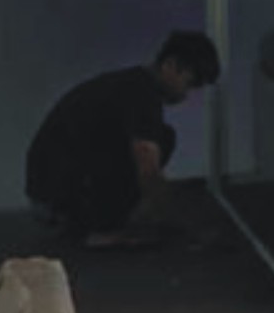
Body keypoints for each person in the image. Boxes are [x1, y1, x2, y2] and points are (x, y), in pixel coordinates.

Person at [25, 31, 221, 248]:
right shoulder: (141, 95)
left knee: (162, 137)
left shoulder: (131, 84)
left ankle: (96, 225)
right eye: (190, 83)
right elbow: (149, 172)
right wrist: (184, 227)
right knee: (159, 143)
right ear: (171, 65)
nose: (187, 95)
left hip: (47, 197)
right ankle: (94, 232)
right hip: (56, 205)